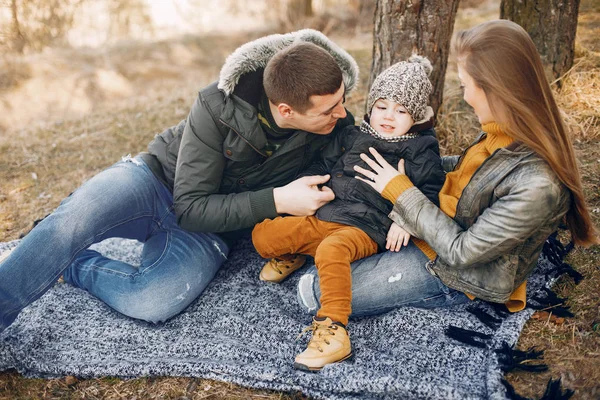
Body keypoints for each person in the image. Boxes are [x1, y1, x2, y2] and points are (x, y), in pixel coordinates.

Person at [0, 29, 359, 333]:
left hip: (212, 231)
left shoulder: (335, 128)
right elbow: (190, 206)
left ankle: (72, 265)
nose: (342, 114)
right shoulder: (216, 105)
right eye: (330, 109)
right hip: (153, 182)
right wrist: (278, 200)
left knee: (153, 300)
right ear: (286, 110)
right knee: (70, 223)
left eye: (342, 101)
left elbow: (367, 154)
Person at [296, 20, 598, 330]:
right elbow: (472, 173)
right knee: (329, 250)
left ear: (496, 89)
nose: (464, 97)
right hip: (435, 223)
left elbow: (464, 252)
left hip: (460, 270)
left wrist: (401, 192)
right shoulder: (506, 131)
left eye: (466, 85)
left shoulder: (538, 184)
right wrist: (408, 164)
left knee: (314, 292)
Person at [252, 56, 446, 371]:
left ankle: (334, 330)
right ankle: (298, 251)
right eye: (383, 106)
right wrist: (318, 188)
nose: (388, 116)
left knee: (332, 250)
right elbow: (329, 164)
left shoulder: (421, 152)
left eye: (401, 111)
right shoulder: (355, 135)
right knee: (263, 235)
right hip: (328, 213)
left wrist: (405, 219)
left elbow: (431, 192)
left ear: (417, 117)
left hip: (365, 227)